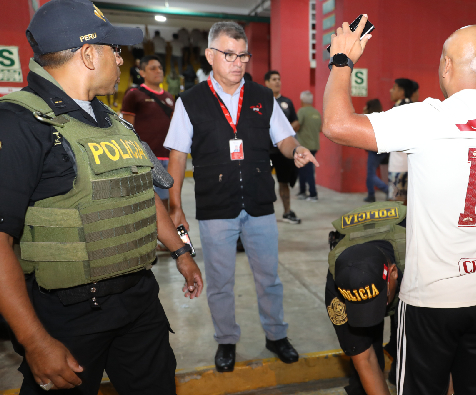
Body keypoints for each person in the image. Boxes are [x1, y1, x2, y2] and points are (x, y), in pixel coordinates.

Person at [323, 19, 476, 394]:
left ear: (446, 66)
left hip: (433, 300)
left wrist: (342, 60)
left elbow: (336, 125)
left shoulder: (430, 118)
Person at [0, 1, 204, 393]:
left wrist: (180, 252)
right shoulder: (20, 124)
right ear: (90, 55)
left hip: (138, 301)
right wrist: (35, 341)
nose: (120, 59)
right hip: (68, 315)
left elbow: (143, 194)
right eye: (116, 50)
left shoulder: (111, 121)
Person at [165, 21, 318, 372]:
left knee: (269, 277)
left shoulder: (264, 98)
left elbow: (283, 138)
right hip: (216, 207)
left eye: (243, 55)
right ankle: (226, 340)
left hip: (260, 204)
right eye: (229, 54)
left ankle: (276, 335)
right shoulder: (190, 102)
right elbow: (177, 156)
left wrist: (295, 149)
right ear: (210, 55)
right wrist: (175, 206)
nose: (238, 62)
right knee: (220, 281)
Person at [326, 202, 405, 395]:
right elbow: (364, 358)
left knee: (416, 353)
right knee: (362, 381)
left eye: (380, 300)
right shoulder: (336, 285)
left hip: (409, 272)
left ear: (393, 273)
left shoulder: (417, 257)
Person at [121, 55, 175, 211]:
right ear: (142, 72)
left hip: (167, 158)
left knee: (164, 204)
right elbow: (127, 129)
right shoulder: (134, 95)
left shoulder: (169, 97)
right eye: (153, 68)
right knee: (144, 204)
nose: (158, 71)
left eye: (160, 67)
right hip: (145, 160)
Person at [263, 70, 302, 223]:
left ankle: (287, 212)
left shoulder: (287, 102)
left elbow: (296, 122)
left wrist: (283, 131)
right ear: (266, 82)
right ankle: (263, 214)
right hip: (265, 151)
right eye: (274, 79)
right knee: (263, 183)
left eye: (279, 79)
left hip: (282, 151)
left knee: (284, 182)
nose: (277, 82)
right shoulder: (261, 101)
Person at [386, 78, 416, 203]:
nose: (391, 91)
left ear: (401, 91)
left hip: (398, 165)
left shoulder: (397, 108)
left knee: (396, 208)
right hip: (412, 165)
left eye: (394, 88)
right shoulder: (415, 107)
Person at [296, 90, 321, 201]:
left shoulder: (301, 112)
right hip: (314, 145)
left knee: (307, 170)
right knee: (304, 169)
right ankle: (302, 191)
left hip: (304, 145)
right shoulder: (316, 112)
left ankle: (312, 194)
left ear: (301, 100)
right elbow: (320, 128)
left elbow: (297, 126)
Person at [363, 99, 388, 203]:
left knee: (371, 174)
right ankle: (371, 194)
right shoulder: (382, 116)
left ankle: (387, 190)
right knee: (371, 173)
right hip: (383, 149)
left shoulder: (370, 118)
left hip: (374, 149)